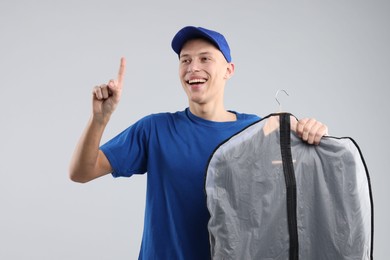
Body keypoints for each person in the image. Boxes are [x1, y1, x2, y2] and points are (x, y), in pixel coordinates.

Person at [69, 26, 328, 259]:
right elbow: (81, 172)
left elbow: (301, 191)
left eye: (205, 59)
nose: (193, 68)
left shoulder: (257, 131)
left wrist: (315, 136)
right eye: (186, 60)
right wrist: (99, 119)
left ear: (229, 70)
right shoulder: (155, 129)